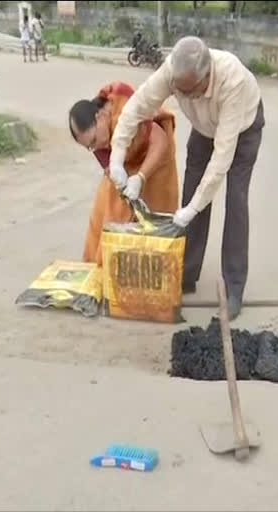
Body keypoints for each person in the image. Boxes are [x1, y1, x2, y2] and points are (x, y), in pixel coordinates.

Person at [109, 36, 263, 320]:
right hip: (204, 128)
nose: (185, 96)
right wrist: (116, 158)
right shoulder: (173, 72)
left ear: (206, 77)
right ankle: (187, 273)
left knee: (235, 201)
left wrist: (195, 207)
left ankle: (234, 288)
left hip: (242, 129)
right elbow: (136, 108)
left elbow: (221, 158)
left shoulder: (233, 81)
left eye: (190, 92)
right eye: (180, 91)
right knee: (191, 191)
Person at [69, 82, 180, 265]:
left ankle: (156, 270)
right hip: (125, 163)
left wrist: (141, 177)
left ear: (101, 116)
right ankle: (103, 266)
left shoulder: (125, 111)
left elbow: (159, 141)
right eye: (90, 146)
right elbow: (108, 165)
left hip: (156, 157)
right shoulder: (98, 142)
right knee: (108, 213)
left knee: (154, 215)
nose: (96, 148)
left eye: (95, 140)